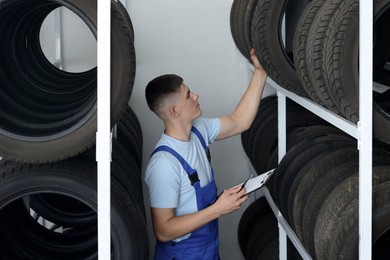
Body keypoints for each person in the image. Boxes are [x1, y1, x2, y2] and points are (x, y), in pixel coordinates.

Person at [144, 48, 267, 260]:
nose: (196, 95)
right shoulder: (164, 164)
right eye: (188, 94)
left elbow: (240, 120)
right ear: (175, 111)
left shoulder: (199, 130)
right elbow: (163, 231)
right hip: (181, 255)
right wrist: (218, 208)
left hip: (208, 250)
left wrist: (260, 71)